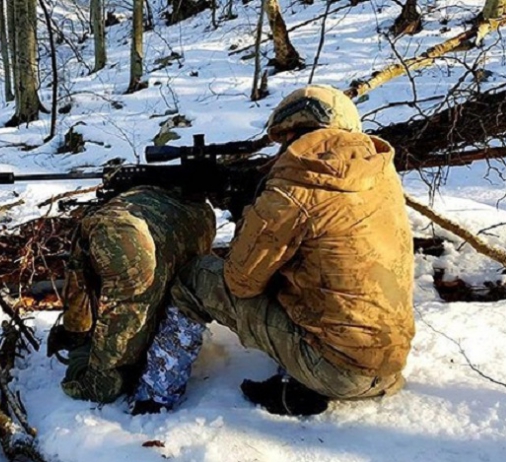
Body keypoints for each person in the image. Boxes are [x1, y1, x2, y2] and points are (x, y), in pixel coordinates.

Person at [132, 85, 415, 416]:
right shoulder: (377, 174)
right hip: (388, 364)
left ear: (290, 130)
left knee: (194, 278)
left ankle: (154, 396)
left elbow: (240, 282)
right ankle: (300, 384)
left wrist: (247, 211)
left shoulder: (294, 188)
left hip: (337, 370)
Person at [48, 185, 216, 404]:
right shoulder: (201, 212)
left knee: (103, 386)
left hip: (126, 236)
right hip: (145, 231)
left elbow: (83, 295)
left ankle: (90, 351)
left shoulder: (116, 233)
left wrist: (78, 339)